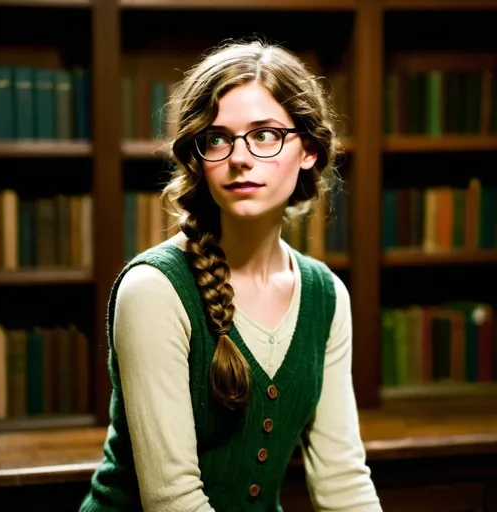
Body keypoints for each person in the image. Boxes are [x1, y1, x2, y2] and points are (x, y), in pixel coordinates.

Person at [79, 39, 382, 512]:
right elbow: (172, 501)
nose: (239, 156)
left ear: (308, 150)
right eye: (217, 138)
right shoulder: (154, 291)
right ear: (199, 158)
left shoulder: (326, 296)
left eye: (264, 134)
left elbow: (343, 480)